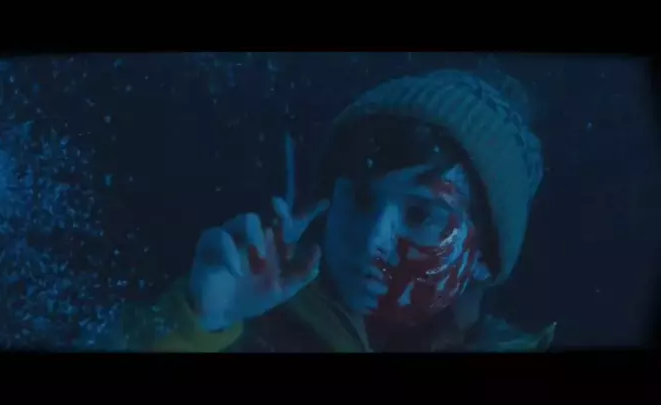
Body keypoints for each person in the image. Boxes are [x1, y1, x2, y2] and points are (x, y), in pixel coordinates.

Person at [115, 69, 556, 352]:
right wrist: (196, 321)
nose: (372, 240)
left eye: (422, 215)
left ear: (487, 256)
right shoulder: (247, 332)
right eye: (360, 199)